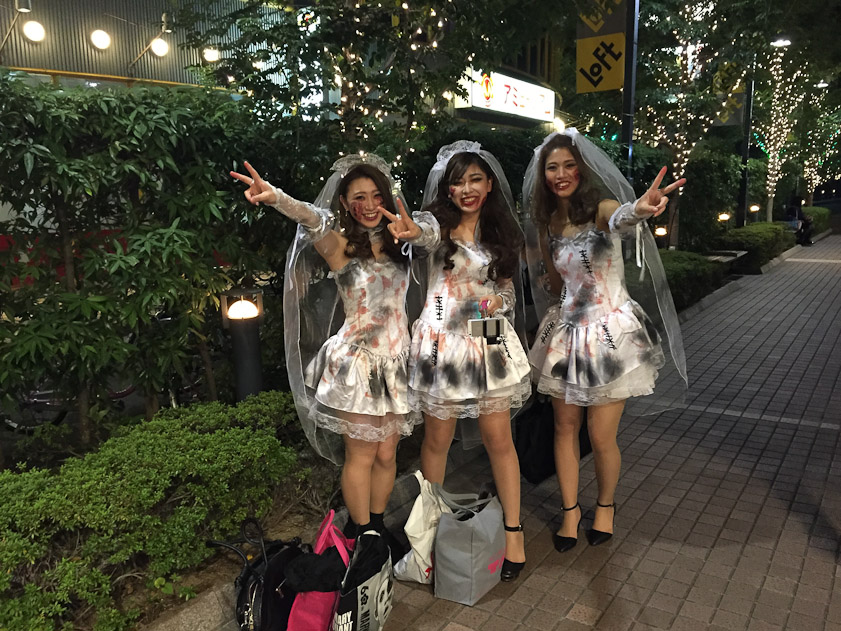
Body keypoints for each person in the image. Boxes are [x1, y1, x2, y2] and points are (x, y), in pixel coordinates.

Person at [230, 155, 421, 540]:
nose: (368, 205)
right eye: (358, 197)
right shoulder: (340, 247)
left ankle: (376, 528)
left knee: (388, 454)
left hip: (397, 363)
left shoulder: (402, 244)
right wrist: (275, 197)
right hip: (359, 364)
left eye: (375, 196)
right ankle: (361, 530)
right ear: (345, 204)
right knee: (362, 455)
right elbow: (310, 218)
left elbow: (433, 238)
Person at [523, 130, 687, 552]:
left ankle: (606, 505)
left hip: (609, 335)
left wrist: (640, 208)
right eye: (552, 167)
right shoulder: (548, 223)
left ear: (583, 168)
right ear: (544, 175)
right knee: (564, 427)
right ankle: (570, 511)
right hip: (567, 333)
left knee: (600, 436)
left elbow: (620, 218)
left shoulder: (600, 208)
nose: (560, 175)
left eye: (568, 165)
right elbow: (557, 279)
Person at [386, 140, 532, 582]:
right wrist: (412, 233)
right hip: (442, 345)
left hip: (484, 337)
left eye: (474, 179)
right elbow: (421, 233)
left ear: (489, 184)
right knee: (436, 444)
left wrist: (496, 304)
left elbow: (505, 289)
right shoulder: (435, 225)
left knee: (500, 441)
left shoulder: (500, 233)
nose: (466, 189)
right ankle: (425, 543)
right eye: (457, 182)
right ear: (447, 189)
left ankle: (514, 535)